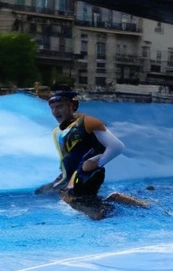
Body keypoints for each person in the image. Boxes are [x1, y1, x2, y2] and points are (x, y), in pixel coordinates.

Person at [36, 89, 149, 219]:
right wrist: (62, 175)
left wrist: (98, 163)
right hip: (73, 175)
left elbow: (117, 146)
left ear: (72, 106)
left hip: (88, 173)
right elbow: (66, 157)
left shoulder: (87, 122)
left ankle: (116, 200)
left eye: (60, 107)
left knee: (92, 213)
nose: (55, 112)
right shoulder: (57, 132)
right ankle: (110, 199)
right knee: (47, 192)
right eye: (53, 108)